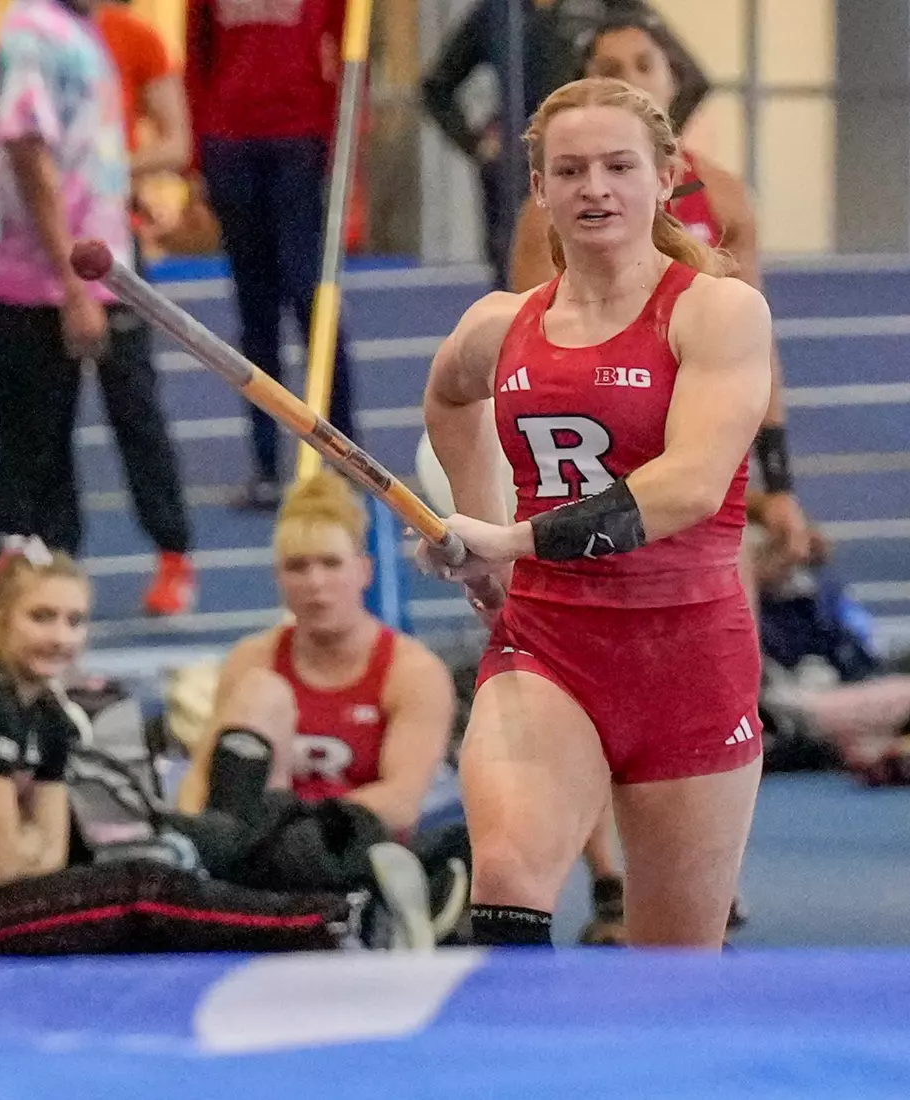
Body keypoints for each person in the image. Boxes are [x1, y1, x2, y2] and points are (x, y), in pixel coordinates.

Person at [419, 76, 777, 950]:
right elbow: (449, 401)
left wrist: (510, 535)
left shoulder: (719, 313)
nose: (596, 189)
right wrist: (486, 541)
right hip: (548, 646)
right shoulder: (499, 325)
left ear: (665, 177)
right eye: (570, 171)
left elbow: (690, 485)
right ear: (540, 189)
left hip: (689, 658)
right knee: (505, 882)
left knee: (674, 970)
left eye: (619, 166)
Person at [507, 13, 809, 945]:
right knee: (573, 694)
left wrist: (779, 480)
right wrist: (502, 524)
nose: (594, 184)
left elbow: (755, 366)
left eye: (639, 67)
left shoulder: (725, 205)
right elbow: (520, 358)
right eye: (604, 67)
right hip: (578, 507)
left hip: (694, 474)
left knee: (718, 620)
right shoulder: (545, 218)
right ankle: (602, 875)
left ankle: (692, 859)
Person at [0, 539, 363, 958]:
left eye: (74, 622)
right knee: (140, 889)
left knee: (160, 871)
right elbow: (4, 867)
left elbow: (39, 860)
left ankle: (341, 908)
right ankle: (333, 922)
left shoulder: (50, 716)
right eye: (43, 617)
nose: (61, 637)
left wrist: (8, 852)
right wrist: (7, 854)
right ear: (0, 620)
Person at [0, 0, 198, 614]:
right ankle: (30, 577)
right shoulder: (30, 35)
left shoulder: (90, 32)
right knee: (37, 434)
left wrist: (111, 184)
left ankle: (167, 550)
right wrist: (71, 287)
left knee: (133, 409)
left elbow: (78, 154)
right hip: (42, 279)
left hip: (106, 262)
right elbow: (27, 156)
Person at [176, 473, 457, 838]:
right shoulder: (252, 660)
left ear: (364, 571)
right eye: (298, 566)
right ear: (278, 578)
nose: (315, 583)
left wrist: (302, 825)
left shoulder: (413, 673)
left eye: (330, 563)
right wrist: (186, 838)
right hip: (261, 850)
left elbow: (402, 801)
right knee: (261, 692)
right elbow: (201, 778)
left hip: (352, 850)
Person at [184, 0, 357, 507]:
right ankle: (265, 465)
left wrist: (342, 141)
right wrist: (199, 154)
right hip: (230, 142)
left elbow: (350, 57)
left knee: (311, 299)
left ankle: (345, 451)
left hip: (298, 138)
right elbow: (197, 60)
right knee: (254, 310)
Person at [422, 0, 708, 290]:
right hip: (516, 175)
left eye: (642, 67)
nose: (630, 76)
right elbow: (436, 87)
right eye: (611, 68)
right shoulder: (497, 12)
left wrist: (655, 143)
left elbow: (694, 80)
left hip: (605, 172)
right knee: (526, 278)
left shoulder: (612, 6)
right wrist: (477, 144)